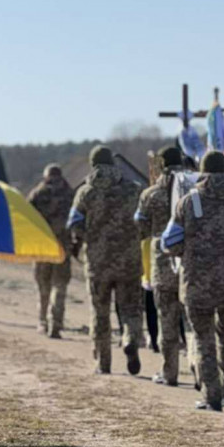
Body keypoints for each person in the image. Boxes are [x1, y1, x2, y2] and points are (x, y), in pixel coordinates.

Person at [161, 150, 224, 411]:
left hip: (196, 284)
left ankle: (211, 394)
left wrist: (185, 252)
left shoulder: (188, 201)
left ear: (203, 172)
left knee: (203, 338)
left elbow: (169, 242)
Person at [68, 145, 143, 375]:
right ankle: (130, 339)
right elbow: (144, 220)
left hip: (98, 263)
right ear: (113, 163)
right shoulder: (133, 190)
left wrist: (87, 239)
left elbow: (74, 224)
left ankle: (103, 362)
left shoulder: (85, 192)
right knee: (130, 309)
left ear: (93, 165)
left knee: (100, 312)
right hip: (129, 261)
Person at [135, 146, 184, 385]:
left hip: (162, 262)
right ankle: (199, 369)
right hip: (189, 262)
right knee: (193, 323)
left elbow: (141, 226)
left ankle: (169, 371)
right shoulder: (192, 190)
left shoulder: (150, 194)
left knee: (166, 319)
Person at [27, 164, 75, 337]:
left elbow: (27, 218)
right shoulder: (70, 194)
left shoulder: (38, 193)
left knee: (43, 287)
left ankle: (42, 321)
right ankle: (56, 322)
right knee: (59, 286)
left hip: (42, 248)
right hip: (63, 248)